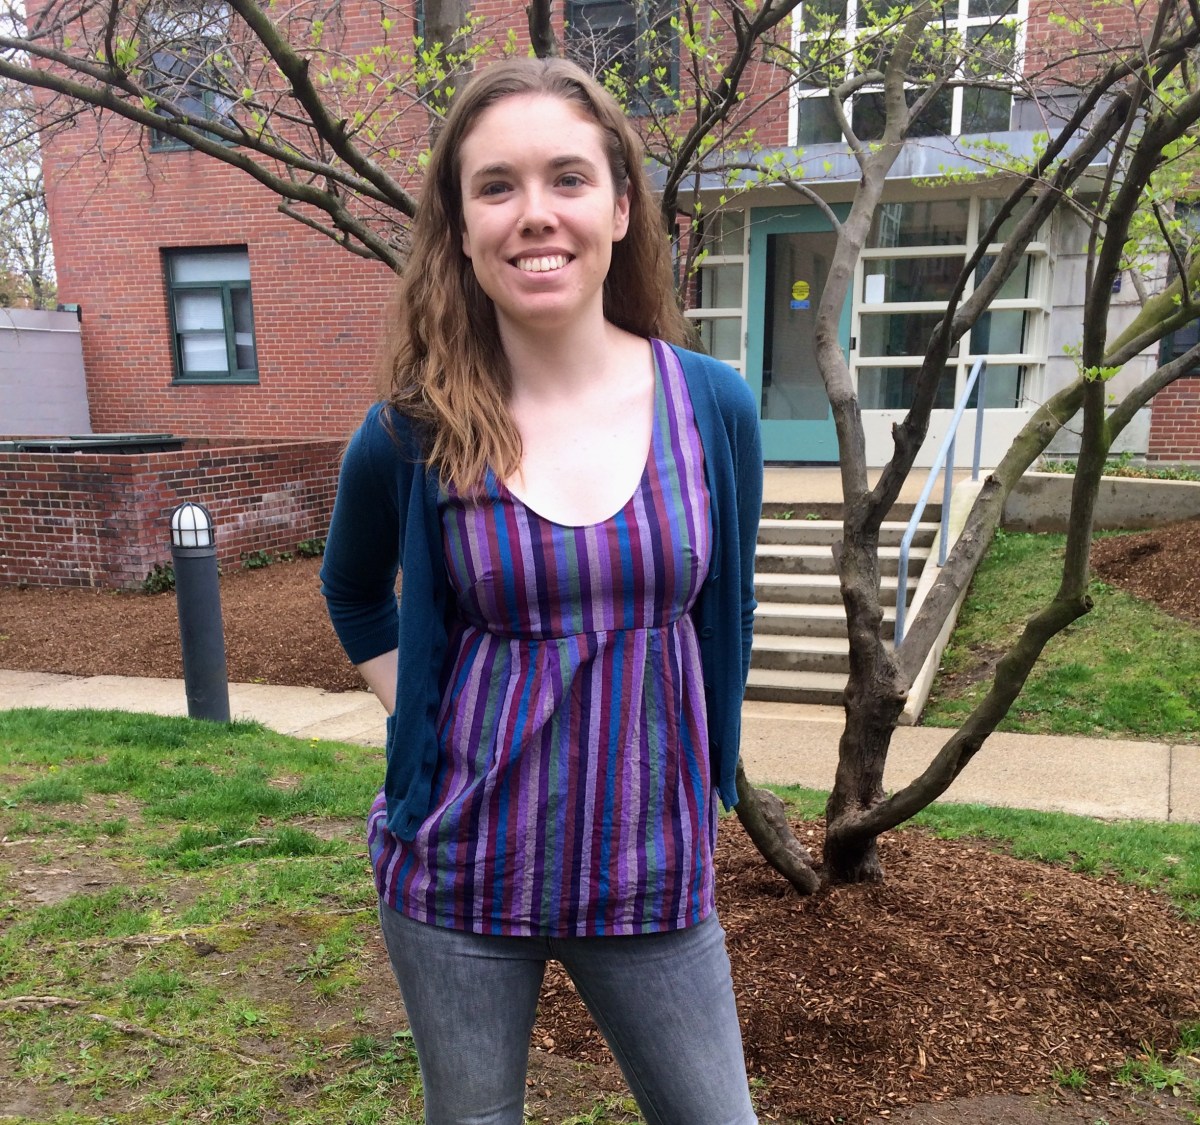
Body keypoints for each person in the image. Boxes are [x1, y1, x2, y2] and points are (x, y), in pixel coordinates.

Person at [320, 55, 763, 1125]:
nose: (535, 213)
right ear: (461, 226)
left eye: (568, 178)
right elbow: (354, 592)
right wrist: (419, 720)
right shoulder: (412, 430)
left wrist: (707, 780)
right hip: (459, 870)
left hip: (652, 872)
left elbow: (730, 614)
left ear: (620, 206)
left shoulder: (712, 407)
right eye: (497, 186)